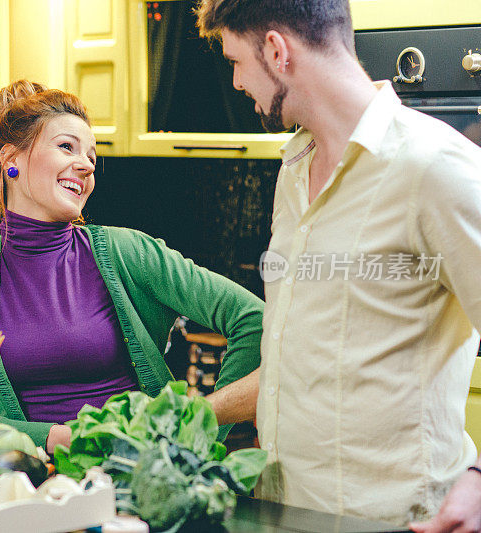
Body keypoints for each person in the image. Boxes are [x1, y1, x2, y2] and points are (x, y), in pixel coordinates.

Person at [196, 0, 481, 528]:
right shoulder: (293, 169)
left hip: (394, 520)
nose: (235, 82)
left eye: (236, 61)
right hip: (285, 510)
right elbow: (303, 364)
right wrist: (193, 415)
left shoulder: (434, 167)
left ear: (277, 51)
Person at [0, 80, 264, 454]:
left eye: (91, 154)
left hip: (134, 481)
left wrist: (197, 434)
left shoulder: (128, 252)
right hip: (22, 487)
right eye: (66, 147)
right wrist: (57, 439)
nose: (86, 165)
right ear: (11, 160)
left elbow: (254, 320)